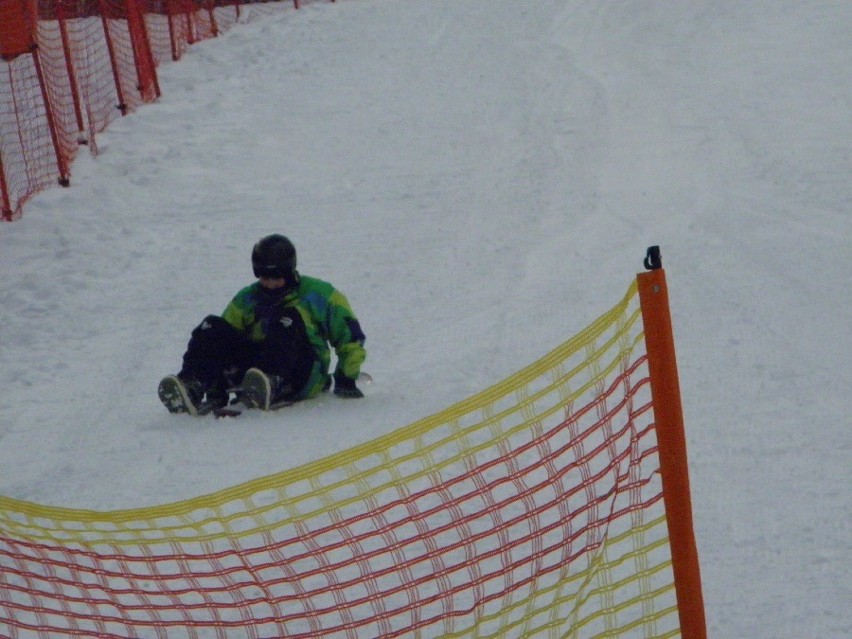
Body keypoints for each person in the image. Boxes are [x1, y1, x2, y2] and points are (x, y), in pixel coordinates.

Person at [158, 234, 366, 415]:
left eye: (276, 277)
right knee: (212, 326)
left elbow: (350, 336)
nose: (269, 283)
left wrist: (346, 378)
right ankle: (192, 385)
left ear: (288, 271)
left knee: (287, 318)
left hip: (301, 372)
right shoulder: (248, 298)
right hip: (255, 371)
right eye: (263, 276)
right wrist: (216, 386)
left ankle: (274, 381)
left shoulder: (318, 294)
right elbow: (223, 341)